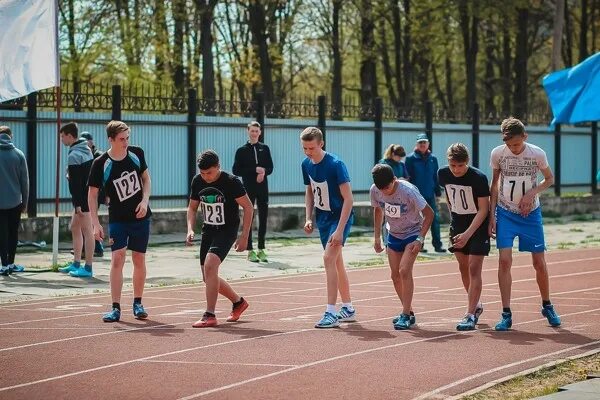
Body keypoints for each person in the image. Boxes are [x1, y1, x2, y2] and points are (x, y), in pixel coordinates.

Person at [489, 117, 561, 331]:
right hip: (505, 212)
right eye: (510, 145)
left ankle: (547, 304)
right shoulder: (497, 154)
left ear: (525, 137)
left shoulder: (537, 153)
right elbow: (494, 185)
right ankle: (506, 313)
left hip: (530, 215)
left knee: (538, 262)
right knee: (504, 261)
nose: (514, 148)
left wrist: (532, 193)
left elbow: (549, 179)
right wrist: (492, 215)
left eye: (517, 144)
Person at [88, 120, 151, 322]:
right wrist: (95, 224)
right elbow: (92, 195)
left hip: (140, 217)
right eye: (122, 139)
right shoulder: (101, 164)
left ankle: (138, 303)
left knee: (139, 259)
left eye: (127, 138)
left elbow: (146, 179)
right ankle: (115, 307)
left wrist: (144, 201)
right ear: (111, 139)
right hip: (118, 218)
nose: (126, 142)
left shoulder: (136, 153)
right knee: (118, 258)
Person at [186, 150, 253, 328]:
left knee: (210, 265)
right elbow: (192, 208)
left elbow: (248, 207)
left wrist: (244, 236)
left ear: (218, 167)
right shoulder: (197, 181)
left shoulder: (231, 182)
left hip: (227, 230)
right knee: (208, 276)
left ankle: (210, 314)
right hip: (208, 231)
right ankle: (238, 302)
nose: (206, 177)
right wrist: (190, 229)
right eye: (203, 173)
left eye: (210, 173)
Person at [301, 127, 355, 328]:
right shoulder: (306, 164)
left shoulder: (335, 164)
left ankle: (331, 311)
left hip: (340, 217)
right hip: (323, 219)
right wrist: (308, 217)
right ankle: (348, 308)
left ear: (321, 144)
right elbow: (309, 192)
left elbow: (349, 199)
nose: (308, 152)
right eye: (305, 148)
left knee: (328, 258)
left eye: (312, 148)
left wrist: (340, 230)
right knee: (337, 263)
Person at [371, 164, 434, 330]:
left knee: (404, 270)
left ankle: (405, 314)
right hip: (393, 234)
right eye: (381, 188)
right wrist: (377, 237)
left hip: (413, 233)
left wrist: (420, 239)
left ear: (394, 179)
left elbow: (429, 214)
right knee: (394, 275)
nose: (384, 191)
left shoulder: (408, 191)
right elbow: (378, 211)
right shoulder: (375, 190)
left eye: (387, 187)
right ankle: (409, 312)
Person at [438, 143, 489, 331]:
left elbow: (484, 209)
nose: (456, 170)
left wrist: (468, 233)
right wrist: (454, 222)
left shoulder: (478, 178)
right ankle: (476, 305)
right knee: (463, 267)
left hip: (477, 226)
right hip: (458, 224)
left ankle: (469, 314)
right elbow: (449, 197)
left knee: (474, 268)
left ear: (467, 162)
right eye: (453, 166)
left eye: (460, 166)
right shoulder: (442, 174)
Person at [232, 121, 274, 263]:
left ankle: (261, 248)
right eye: (252, 131)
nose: (254, 133)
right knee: (248, 217)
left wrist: (264, 172)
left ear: (260, 132)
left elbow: (270, 167)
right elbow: (236, 170)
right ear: (248, 131)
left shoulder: (265, 148)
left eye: (257, 131)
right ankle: (250, 250)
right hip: (248, 188)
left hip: (263, 187)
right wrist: (254, 169)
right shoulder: (241, 150)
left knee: (263, 217)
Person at [58, 122, 95, 278]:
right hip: (84, 196)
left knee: (87, 231)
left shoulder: (74, 155)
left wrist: (78, 204)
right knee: (74, 226)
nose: (61, 140)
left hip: (83, 199)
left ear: (69, 136)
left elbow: (77, 184)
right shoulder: (85, 149)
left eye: (62, 136)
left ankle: (88, 267)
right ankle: (76, 262)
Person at [405, 133, 446, 253]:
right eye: (420, 143)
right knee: (417, 221)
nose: (422, 145)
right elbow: (408, 178)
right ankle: (419, 245)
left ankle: (438, 245)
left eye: (424, 142)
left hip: (430, 195)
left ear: (428, 144)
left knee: (434, 220)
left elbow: (435, 176)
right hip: (415, 196)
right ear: (417, 144)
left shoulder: (433, 158)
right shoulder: (410, 159)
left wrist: (438, 193)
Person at [0, 126, 28, 276]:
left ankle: (3, 265)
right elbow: (25, 182)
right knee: (12, 233)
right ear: (10, 136)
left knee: (1, 234)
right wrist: (25, 202)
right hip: (15, 202)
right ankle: (11, 263)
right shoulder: (18, 154)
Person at [81, 131, 105, 258]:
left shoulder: (97, 156)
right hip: (88, 193)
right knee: (88, 221)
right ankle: (90, 248)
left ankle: (97, 247)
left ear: (91, 142)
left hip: (97, 194)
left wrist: (106, 195)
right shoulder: (85, 155)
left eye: (87, 141)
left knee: (90, 220)